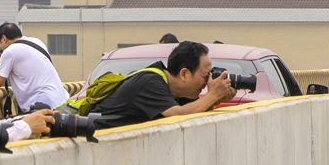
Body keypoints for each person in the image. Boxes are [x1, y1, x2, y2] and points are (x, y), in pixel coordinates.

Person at [88, 38, 236, 128]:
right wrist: (212, 95)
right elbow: (178, 116)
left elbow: (192, 112)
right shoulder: (150, 83)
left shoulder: (175, 89)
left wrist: (215, 99)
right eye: (205, 76)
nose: (207, 81)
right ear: (184, 73)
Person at [0, 22, 66, 114]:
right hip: (62, 100)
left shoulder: (10, 51)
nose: (0, 48)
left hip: (42, 104)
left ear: (4, 38)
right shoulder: (37, 41)